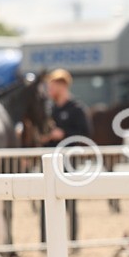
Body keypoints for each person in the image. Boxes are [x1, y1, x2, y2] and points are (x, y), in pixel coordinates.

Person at [40, 68, 91, 244]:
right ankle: (45, 240)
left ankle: (73, 239)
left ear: (62, 86)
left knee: (70, 201)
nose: (49, 90)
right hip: (49, 161)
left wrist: (63, 134)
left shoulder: (76, 109)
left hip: (69, 159)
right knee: (45, 201)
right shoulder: (49, 109)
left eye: (52, 86)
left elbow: (85, 134)